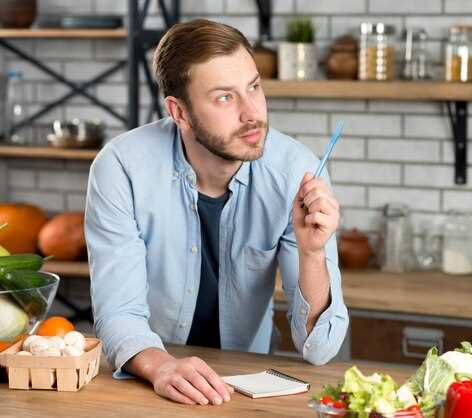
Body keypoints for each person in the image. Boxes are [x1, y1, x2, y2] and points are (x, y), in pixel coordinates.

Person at [85, 19, 349, 406]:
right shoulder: (121, 168)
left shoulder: (298, 172)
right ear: (179, 111)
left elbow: (319, 349)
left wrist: (312, 253)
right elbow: (118, 313)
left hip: (248, 388)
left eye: (254, 87)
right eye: (225, 97)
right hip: (151, 380)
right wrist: (160, 366)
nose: (252, 113)